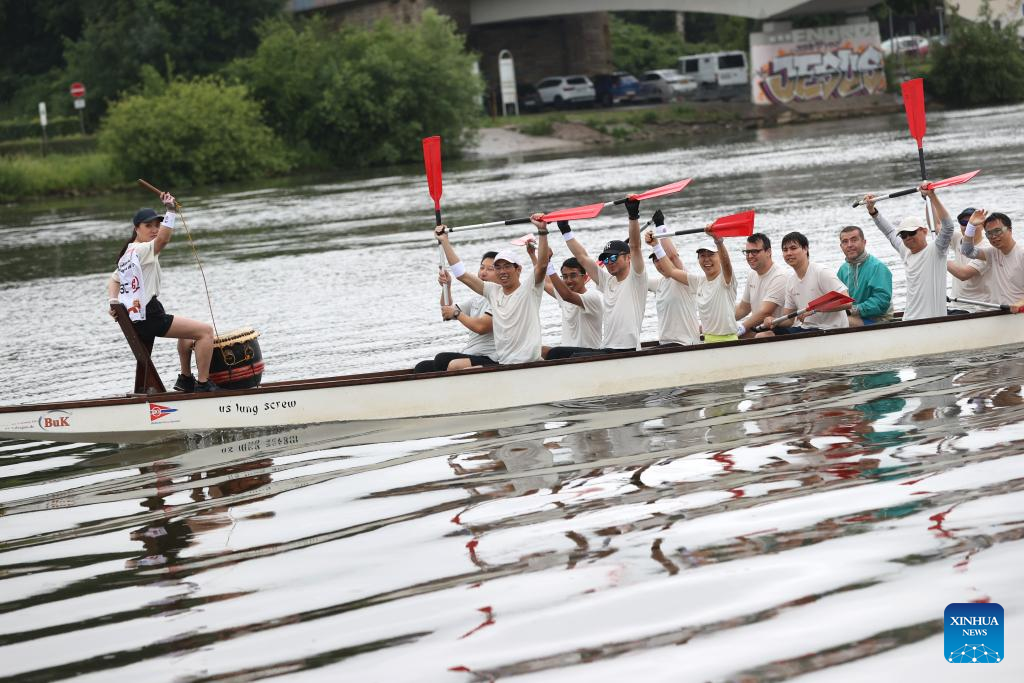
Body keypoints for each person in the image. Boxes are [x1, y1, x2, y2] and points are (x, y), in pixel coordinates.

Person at [107, 194, 218, 392]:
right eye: (148, 226)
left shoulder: (129, 253)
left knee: (187, 335)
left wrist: (113, 302)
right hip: (149, 316)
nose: (154, 229)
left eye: (157, 225)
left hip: (141, 316)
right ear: (136, 228)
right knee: (205, 332)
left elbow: (114, 279)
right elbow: (163, 240)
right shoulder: (142, 250)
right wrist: (170, 211)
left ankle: (185, 379)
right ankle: (203, 384)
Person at [435, 215, 550, 365]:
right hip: (505, 364)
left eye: (507, 266)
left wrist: (542, 231)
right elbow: (461, 274)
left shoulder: (529, 289)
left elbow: (542, 265)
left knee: (450, 364)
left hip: (529, 363)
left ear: (518, 269)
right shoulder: (493, 291)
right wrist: (445, 241)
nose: (502, 271)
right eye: (498, 267)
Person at [547, 198, 647, 358]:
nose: (609, 262)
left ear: (628, 258)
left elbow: (635, 247)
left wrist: (633, 215)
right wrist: (565, 229)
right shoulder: (607, 281)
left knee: (560, 355)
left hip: (627, 350)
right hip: (607, 348)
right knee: (555, 353)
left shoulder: (636, 278)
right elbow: (582, 257)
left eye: (613, 257)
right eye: (605, 259)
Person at [863, 183, 954, 320]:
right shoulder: (905, 250)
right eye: (903, 235)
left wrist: (932, 196)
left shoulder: (937, 249)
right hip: (909, 319)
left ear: (924, 231)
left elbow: (948, 226)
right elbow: (889, 232)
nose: (908, 238)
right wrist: (872, 210)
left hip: (933, 320)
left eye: (911, 233)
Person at [646, 223, 738, 343]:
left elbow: (726, 264)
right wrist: (656, 245)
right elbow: (671, 271)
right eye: (702, 256)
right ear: (698, 260)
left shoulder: (726, 278)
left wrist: (718, 241)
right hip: (708, 341)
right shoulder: (698, 282)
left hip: (729, 342)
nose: (706, 259)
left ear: (719, 257)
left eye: (711, 255)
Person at [413, 252, 498, 373]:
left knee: (442, 359)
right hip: (471, 354)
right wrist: (446, 286)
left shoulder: (500, 298)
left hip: (490, 357)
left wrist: (457, 314)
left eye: (490, 269)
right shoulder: (477, 300)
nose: (483, 272)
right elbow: (447, 312)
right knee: (422, 367)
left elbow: (481, 327)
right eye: (482, 267)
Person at [756, 231, 850, 336]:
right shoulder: (791, 282)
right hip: (807, 329)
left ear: (805, 249)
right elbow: (789, 320)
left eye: (793, 248)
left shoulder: (821, 272)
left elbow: (847, 301)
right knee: (763, 335)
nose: (789, 253)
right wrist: (773, 320)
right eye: (785, 250)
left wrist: (815, 310)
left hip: (830, 330)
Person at [645, 213, 700, 346]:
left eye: (661, 258)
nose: (659, 263)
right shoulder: (658, 284)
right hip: (665, 344)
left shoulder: (683, 277)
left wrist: (660, 225)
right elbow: (633, 276)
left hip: (686, 344)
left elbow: (673, 256)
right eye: (655, 260)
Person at [952, 210, 1024, 308]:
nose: (993, 236)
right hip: (994, 310)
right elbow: (966, 251)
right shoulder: (991, 253)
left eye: (997, 231)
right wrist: (971, 226)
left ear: (1010, 230)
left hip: (1015, 312)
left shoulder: (1021, 254)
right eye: (989, 233)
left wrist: (1020, 304)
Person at [836, 225, 893, 326]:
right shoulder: (842, 270)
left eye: (854, 240)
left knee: (840, 322)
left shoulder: (878, 267)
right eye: (845, 242)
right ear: (841, 246)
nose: (849, 245)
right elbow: (837, 299)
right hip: (853, 317)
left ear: (864, 242)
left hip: (878, 320)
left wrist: (853, 310)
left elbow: (881, 302)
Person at [734, 232, 786, 338]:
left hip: (778, 330)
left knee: (738, 335)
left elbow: (765, 312)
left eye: (755, 252)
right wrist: (719, 322)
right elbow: (743, 308)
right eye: (747, 252)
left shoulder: (779, 276)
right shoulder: (752, 275)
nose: (750, 256)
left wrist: (741, 327)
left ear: (768, 252)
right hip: (759, 328)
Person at [947, 207, 990, 304]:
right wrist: (931, 199)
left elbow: (963, 274)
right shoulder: (958, 238)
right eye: (964, 223)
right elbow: (937, 225)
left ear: (982, 225)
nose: (967, 226)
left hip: (977, 308)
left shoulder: (987, 249)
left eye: (973, 223)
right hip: (956, 305)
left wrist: (939, 258)